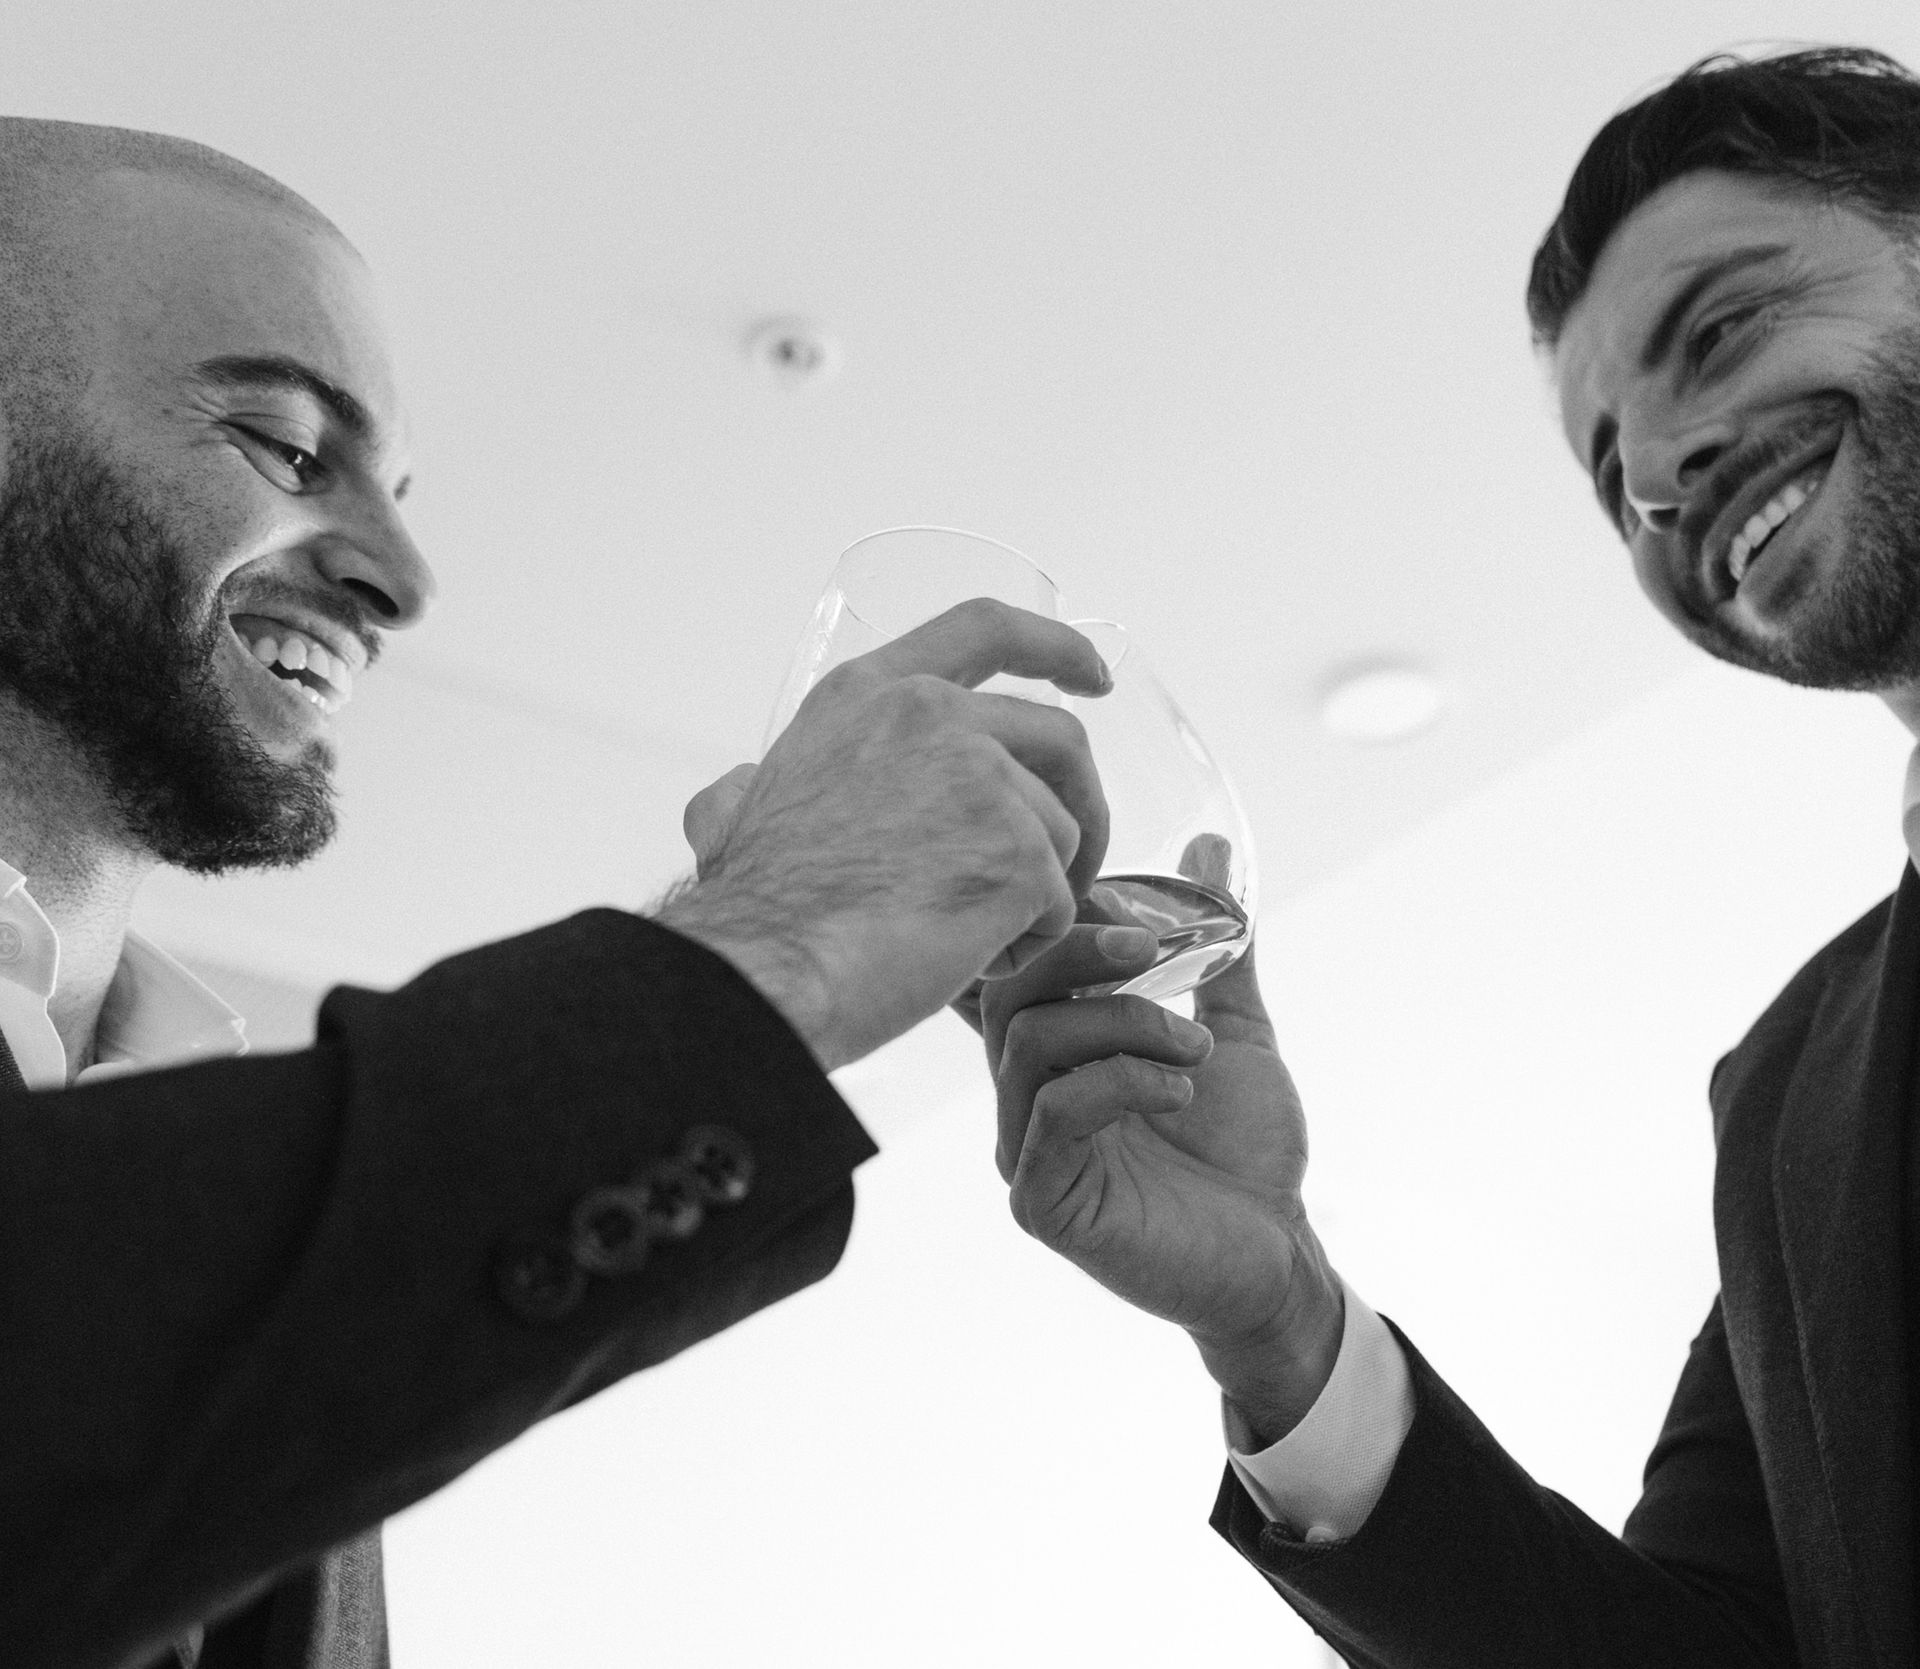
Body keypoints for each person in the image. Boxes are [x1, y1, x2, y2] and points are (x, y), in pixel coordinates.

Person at [0, 119, 1132, 1669]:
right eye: (282, 443)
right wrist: (761, 955)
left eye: (395, 487)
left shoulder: (221, 1159)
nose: (405, 576)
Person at [988, 44, 1920, 1667]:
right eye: (1612, 475)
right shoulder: (1792, 1104)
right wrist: (1277, 1319)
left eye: (1724, 330)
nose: (1661, 476)